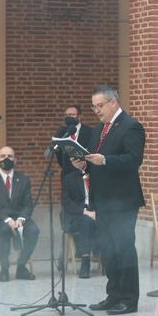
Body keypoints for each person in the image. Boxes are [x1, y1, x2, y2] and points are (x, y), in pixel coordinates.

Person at [72, 86, 145, 315]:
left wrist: (105, 160)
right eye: (94, 107)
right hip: (102, 200)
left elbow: (133, 160)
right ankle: (113, 295)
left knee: (123, 249)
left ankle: (129, 299)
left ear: (113, 102)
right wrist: (84, 164)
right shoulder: (98, 131)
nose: (96, 111)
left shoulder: (131, 126)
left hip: (123, 201)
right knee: (107, 251)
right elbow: (95, 161)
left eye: (100, 105)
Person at [48, 105, 95, 279]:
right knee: (71, 211)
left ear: (80, 117)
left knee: (86, 217)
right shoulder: (63, 133)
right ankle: (71, 254)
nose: (69, 117)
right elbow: (60, 159)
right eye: (66, 115)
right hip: (70, 176)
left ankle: (81, 255)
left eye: (73, 115)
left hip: (88, 171)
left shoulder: (90, 132)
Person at [0, 145, 39, 282]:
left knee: (34, 230)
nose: (6, 159)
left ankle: (21, 267)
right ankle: (4, 269)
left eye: (10, 156)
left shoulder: (24, 179)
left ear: (15, 160)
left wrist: (21, 219)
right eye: (2, 156)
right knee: (4, 230)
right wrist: (7, 219)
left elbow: (28, 204)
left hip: (20, 218)